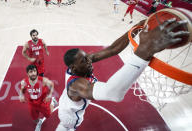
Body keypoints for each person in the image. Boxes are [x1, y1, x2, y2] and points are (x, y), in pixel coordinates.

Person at [56, 19, 189, 131]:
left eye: (87, 57)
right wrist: (144, 52)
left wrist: (135, 28)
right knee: (68, 127)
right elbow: (112, 93)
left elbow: (113, 49)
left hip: (66, 103)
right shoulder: (77, 85)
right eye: (84, 60)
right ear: (74, 67)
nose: (89, 60)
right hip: (69, 116)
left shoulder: (80, 65)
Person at [19, 64, 57, 131]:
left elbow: (52, 85)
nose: (33, 73)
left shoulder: (44, 80)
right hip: (32, 103)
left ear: (37, 72)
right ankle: (39, 123)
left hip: (43, 102)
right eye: (31, 72)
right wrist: (21, 95)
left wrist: (50, 95)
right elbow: (22, 89)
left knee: (48, 115)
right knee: (34, 118)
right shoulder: (24, 82)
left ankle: (52, 102)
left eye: (34, 71)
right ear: (27, 73)